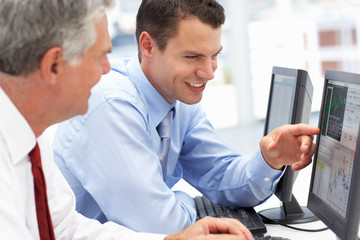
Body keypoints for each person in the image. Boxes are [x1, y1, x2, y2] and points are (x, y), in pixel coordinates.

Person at [53, 0, 320, 235]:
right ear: (148, 45)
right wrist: (183, 199)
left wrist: (269, 159)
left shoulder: (176, 98)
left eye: (214, 56)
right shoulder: (110, 105)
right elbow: (164, 227)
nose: (209, 73)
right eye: (192, 57)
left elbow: (224, 177)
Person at [0, 0, 254, 239]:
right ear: (54, 65)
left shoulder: (31, 139)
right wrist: (185, 206)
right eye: (98, 57)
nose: (107, 69)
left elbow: (65, 228)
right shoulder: (107, 102)